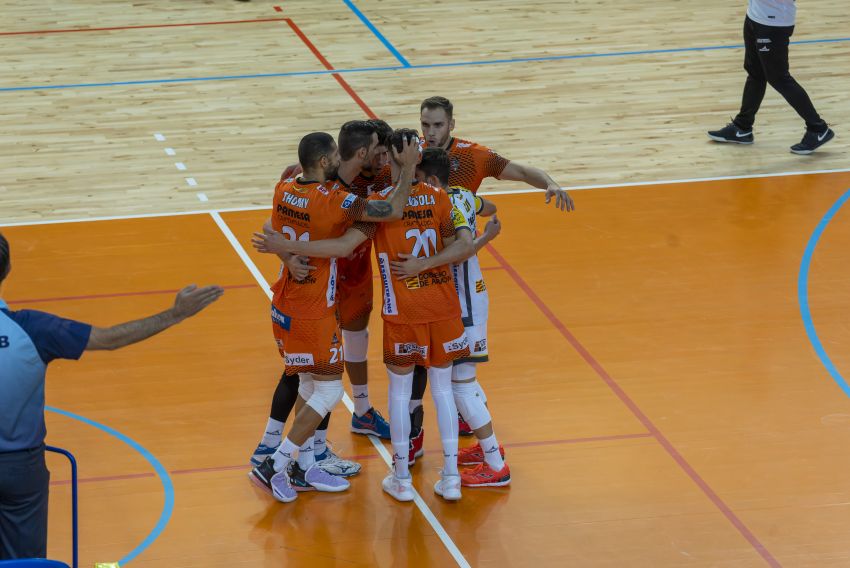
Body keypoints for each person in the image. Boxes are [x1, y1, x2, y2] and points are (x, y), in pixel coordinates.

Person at [254, 133, 475, 502]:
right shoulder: (430, 198)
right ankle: (276, 462)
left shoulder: (285, 186)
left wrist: (286, 252)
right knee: (329, 389)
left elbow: (271, 229)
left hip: (291, 300)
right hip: (326, 309)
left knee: (311, 385)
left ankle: (312, 465)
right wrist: (408, 174)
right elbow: (453, 239)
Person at [0, 232, 223, 560]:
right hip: (22, 468)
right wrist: (175, 314)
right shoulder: (33, 329)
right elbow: (109, 339)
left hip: (23, 467)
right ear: (7, 270)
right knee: (26, 561)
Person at [391, 148, 511, 487]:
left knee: (462, 387)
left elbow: (458, 252)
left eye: (417, 179)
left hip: (464, 305)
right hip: (468, 298)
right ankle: (488, 450)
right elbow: (489, 207)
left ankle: (495, 463)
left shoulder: (444, 203)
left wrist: (422, 263)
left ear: (430, 181)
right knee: (464, 383)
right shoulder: (463, 197)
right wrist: (486, 231)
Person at [707, 0, 834, 154]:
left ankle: (818, 128)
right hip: (754, 17)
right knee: (755, 73)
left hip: (773, 24)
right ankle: (742, 127)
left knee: (779, 78)